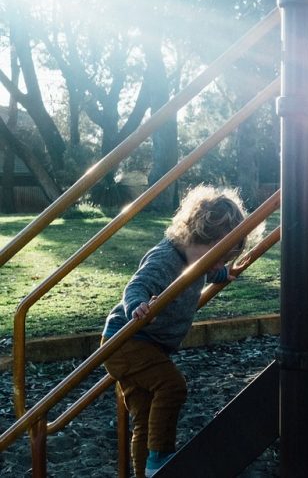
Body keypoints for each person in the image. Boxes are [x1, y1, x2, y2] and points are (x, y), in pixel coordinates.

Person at [102, 185, 259, 477]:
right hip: (127, 340)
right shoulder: (165, 258)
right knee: (172, 386)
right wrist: (137, 306)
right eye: (216, 258)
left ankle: (147, 472)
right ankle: (161, 456)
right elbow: (137, 285)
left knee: (145, 419)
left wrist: (223, 273)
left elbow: (205, 269)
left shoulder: (195, 258)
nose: (216, 265)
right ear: (195, 237)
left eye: (222, 260)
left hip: (147, 345)